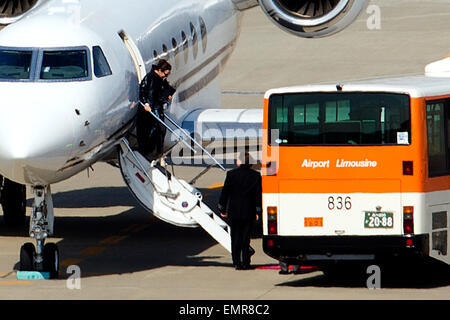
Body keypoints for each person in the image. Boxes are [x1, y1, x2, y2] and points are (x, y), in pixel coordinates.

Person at [218, 151, 262, 270]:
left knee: (235, 238)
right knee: (245, 238)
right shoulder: (256, 176)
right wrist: (258, 211)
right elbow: (258, 196)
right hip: (249, 211)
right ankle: (246, 262)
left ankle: (237, 262)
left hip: (234, 211)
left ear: (240, 162)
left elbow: (225, 192)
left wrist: (221, 207)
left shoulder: (231, 174)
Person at [137, 59, 174, 158]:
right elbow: (143, 90)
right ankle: (150, 151)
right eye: (165, 74)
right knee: (152, 131)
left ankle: (158, 151)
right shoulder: (150, 78)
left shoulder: (160, 79)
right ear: (160, 70)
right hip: (150, 108)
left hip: (156, 107)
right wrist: (146, 103)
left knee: (161, 129)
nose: (165, 77)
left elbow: (164, 90)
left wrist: (168, 95)